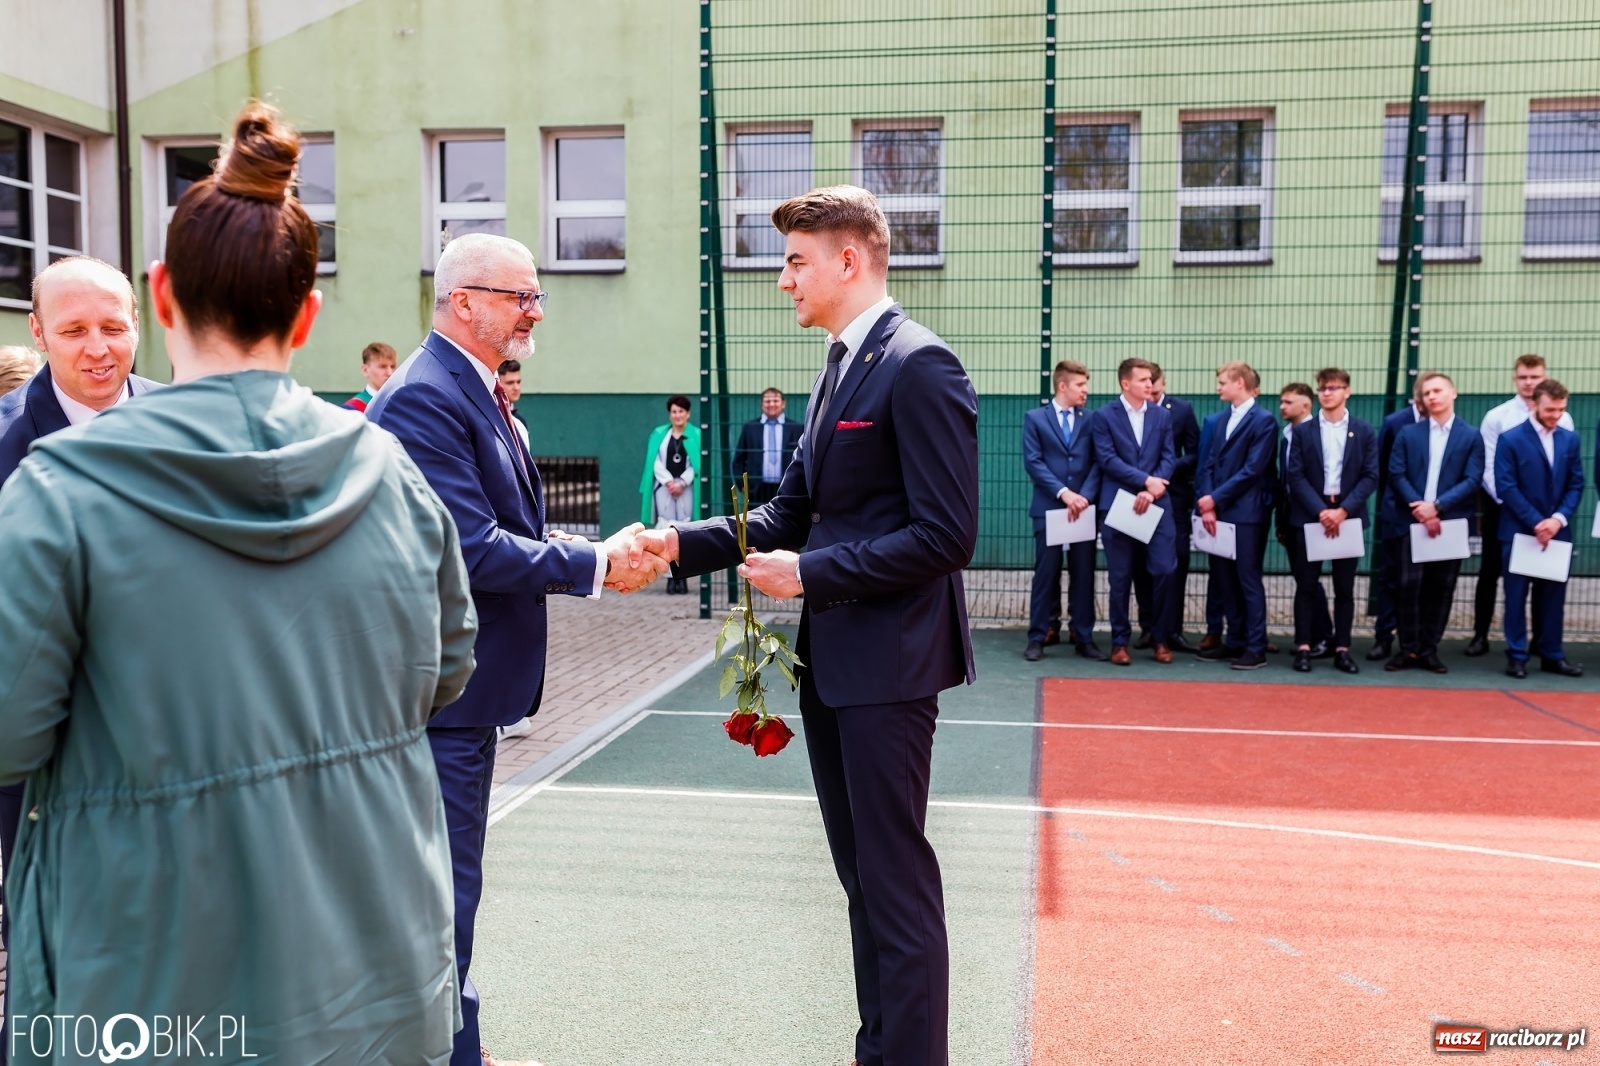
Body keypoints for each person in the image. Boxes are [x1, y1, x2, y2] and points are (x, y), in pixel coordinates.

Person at [0, 102, 476, 1065]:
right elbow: (447, 667)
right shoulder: (391, 473)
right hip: (375, 966)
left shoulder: (62, 491)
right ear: (307, 313)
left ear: (160, 297)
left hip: (148, 981)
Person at [633, 185, 977, 1066]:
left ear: (848, 260)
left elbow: (947, 537)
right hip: (836, 665)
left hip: (891, 668)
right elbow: (789, 513)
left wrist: (812, 574)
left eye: (794, 261)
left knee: (895, 886)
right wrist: (675, 544)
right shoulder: (838, 368)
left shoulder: (920, 365)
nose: (783, 279)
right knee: (863, 880)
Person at [369, 230, 663, 1066]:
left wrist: (592, 552)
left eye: (536, 294)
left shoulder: (469, 387)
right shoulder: (429, 398)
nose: (536, 310)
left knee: (446, 892)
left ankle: (456, 1046)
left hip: (463, 695)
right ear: (464, 302)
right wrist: (597, 564)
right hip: (440, 700)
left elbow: (511, 527)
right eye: (521, 295)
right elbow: (471, 548)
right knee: (440, 896)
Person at [0, 256, 162, 1063]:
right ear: (37, 333)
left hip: (171, 741)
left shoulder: (185, 422)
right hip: (45, 756)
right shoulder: (5, 443)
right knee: (55, 954)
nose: (98, 349)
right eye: (73, 331)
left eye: (113, 327)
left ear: (139, 322)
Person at [1470, 354, 1574, 658]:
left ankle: (1541, 643)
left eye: (1535, 377)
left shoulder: (1563, 418)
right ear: (1515, 379)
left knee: (1546, 576)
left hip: (1549, 514)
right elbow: (1489, 468)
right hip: (1504, 508)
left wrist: (1549, 518)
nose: (1529, 383)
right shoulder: (1497, 417)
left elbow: (1567, 474)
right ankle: (1480, 635)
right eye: (1524, 377)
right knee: (1491, 570)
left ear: (1544, 378)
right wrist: (1515, 507)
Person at [1383, 372, 1484, 674]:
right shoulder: (1408, 434)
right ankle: (1408, 648)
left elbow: (1473, 479)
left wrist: (1437, 507)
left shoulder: (1471, 435)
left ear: (1453, 393)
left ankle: (1429, 649)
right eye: (1427, 393)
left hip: (1450, 523)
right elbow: (1396, 473)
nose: (1432, 397)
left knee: (1441, 587)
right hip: (1411, 521)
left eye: (1437, 391)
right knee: (1408, 585)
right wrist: (1420, 509)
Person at [1283, 368, 1379, 674]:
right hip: (1311, 516)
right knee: (1306, 586)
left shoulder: (1364, 431)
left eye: (1333, 388)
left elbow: (1370, 475)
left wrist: (1344, 510)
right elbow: (1295, 475)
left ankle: (1342, 649)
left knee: (1345, 589)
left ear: (1347, 392)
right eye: (1323, 388)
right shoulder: (1304, 431)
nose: (1327, 393)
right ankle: (1303, 648)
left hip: (1347, 517)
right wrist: (1320, 511)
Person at [1495, 379, 1585, 679]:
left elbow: (1576, 483)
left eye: (1561, 409)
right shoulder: (1510, 439)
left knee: (1553, 598)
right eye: (1550, 410)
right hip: (1519, 532)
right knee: (1515, 597)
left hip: (1557, 531)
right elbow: (1506, 486)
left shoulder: (1570, 439)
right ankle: (1516, 655)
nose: (1556, 415)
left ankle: (1552, 654)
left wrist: (1557, 520)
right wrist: (1536, 521)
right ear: (1534, 404)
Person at [1092, 357, 1177, 666]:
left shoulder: (1162, 416)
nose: (1149, 384)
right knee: (1120, 577)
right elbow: (1107, 459)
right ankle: (1119, 642)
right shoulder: (1103, 416)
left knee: (1164, 570)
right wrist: (1144, 480)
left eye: (1150, 379)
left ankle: (1158, 636)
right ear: (1125, 383)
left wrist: (1152, 489)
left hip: (1156, 502)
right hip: (1119, 504)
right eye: (1143, 380)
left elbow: (1169, 456)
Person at [1194, 361, 1277, 670]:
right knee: (1224, 579)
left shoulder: (1264, 421)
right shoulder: (1221, 420)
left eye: (1222, 382)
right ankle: (1235, 640)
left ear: (1240, 383)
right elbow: (1209, 463)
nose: (1218, 387)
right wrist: (1209, 505)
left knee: (1247, 579)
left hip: (1247, 513)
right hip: (1219, 512)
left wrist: (1214, 498)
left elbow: (1252, 470)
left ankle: (1256, 647)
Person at [1022, 360, 1102, 661]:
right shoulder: (1035, 419)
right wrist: (1065, 494)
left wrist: (1084, 498)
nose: (1085, 390)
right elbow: (1034, 462)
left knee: (1084, 574)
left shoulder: (1091, 419)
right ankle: (1038, 636)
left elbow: (1098, 462)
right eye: (1080, 385)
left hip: (1083, 510)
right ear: (1062, 386)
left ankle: (1084, 637)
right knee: (1046, 574)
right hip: (1049, 509)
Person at [1133, 364, 1200, 653]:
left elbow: (1194, 452)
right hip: (1139, 497)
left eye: (1154, 388)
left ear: (1163, 383)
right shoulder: (1131, 410)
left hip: (1173, 496)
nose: (1149, 393)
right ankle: (1148, 627)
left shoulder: (1181, 410)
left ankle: (1173, 629)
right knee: (1140, 563)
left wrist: (1165, 473)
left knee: (1176, 562)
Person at [1368, 377, 1427, 660]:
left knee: (1422, 581)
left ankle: (1417, 642)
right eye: (1425, 394)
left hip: (1433, 516)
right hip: (1399, 513)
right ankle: (1384, 636)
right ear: (1416, 396)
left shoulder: (1445, 424)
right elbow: (1383, 467)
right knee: (1390, 576)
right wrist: (1402, 501)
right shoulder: (1395, 423)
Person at [1276, 382, 1331, 657]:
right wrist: (1281, 518)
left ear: (1306, 405)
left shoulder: (1318, 434)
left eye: (1288, 402)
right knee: (1302, 577)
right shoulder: (1286, 436)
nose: (1282, 407)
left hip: (1314, 515)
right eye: (1282, 401)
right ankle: (1311, 636)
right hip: (1291, 516)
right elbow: (1285, 479)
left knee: (1308, 580)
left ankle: (1323, 636)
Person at [640, 394, 701, 593]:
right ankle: (669, 577)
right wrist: (668, 482)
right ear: (669, 414)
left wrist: (682, 482)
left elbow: (697, 464)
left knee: (685, 529)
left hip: (687, 488)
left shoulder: (696, 435)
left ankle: (683, 576)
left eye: (681, 411)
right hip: (664, 488)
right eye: (674, 411)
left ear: (688, 413)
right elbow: (654, 462)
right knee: (665, 529)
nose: (677, 415)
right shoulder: (659, 434)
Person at [731, 387, 802, 505]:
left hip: (786, 488)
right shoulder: (750, 428)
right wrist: (743, 485)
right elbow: (739, 460)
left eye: (775, 401)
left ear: (783, 404)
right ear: (761, 404)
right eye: (767, 401)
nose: (771, 404)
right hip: (757, 490)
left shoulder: (796, 428)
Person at [342, 339, 396, 412]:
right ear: (365, 370)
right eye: (382, 367)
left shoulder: (399, 403)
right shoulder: (353, 408)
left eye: (392, 367)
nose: (390, 373)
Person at [496, 356, 532, 452]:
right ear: (498, 384)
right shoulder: (492, 419)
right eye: (510, 383)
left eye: (518, 382)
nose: (516, 387)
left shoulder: (521, 421)